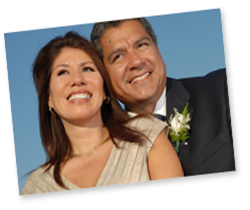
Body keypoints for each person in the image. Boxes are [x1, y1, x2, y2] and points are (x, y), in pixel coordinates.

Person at [20, 31, 183, 195]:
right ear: (49, 98)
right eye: (63, 72)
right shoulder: (36, 188)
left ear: (104, 89)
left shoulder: (145, 135)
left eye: (88, 69)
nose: (78, 79)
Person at [91, 18, 235, 176]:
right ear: (104, 75)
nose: (136, 62)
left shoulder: (224, 89)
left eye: (141, 45)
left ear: (158, 52)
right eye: (118, 56)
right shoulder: (106, 150)